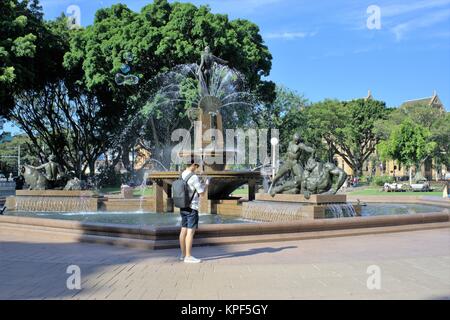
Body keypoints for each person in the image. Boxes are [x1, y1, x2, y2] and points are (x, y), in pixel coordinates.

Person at [179, 161, 207, 263]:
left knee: (183, 230)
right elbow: (202, 193)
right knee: (190, 232)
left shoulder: (182, 174)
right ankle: (188, 256)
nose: (197, 168)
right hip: (192, 207)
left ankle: (183, 254)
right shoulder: (194, 177)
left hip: (183, 206)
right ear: (193, 164)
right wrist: (206, 184)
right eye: (197, 165)